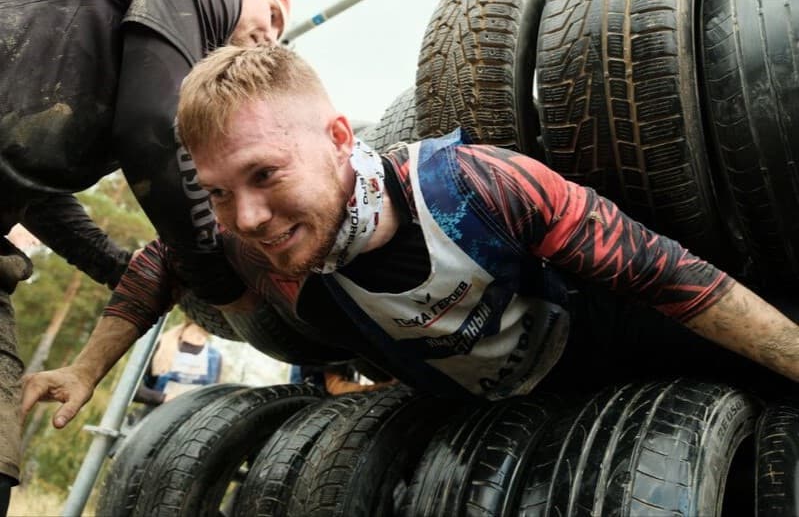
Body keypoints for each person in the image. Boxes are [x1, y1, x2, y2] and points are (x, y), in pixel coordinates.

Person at [23, 45, 799, 442]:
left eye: (264, 175)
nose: (247, 217)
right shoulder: (258, 242)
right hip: (483, 420)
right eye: (218, 192)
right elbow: (166, 259)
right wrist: (85, 369)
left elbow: (672, 278)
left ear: (336, 138)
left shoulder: (478, 187)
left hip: (600, 343)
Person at [0, 0, 289, 508]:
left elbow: (37, 187)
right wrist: (218, 280)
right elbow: (153, 131)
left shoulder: (109, 68)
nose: (272, 41)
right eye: (274, 14)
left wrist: (118, 269)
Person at [134, 319, 222, 410]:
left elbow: (213, 396)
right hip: (156, 417)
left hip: (193, 420)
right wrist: (163, 398)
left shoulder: (214, 357)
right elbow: (133, 390)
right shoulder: (162, 346)